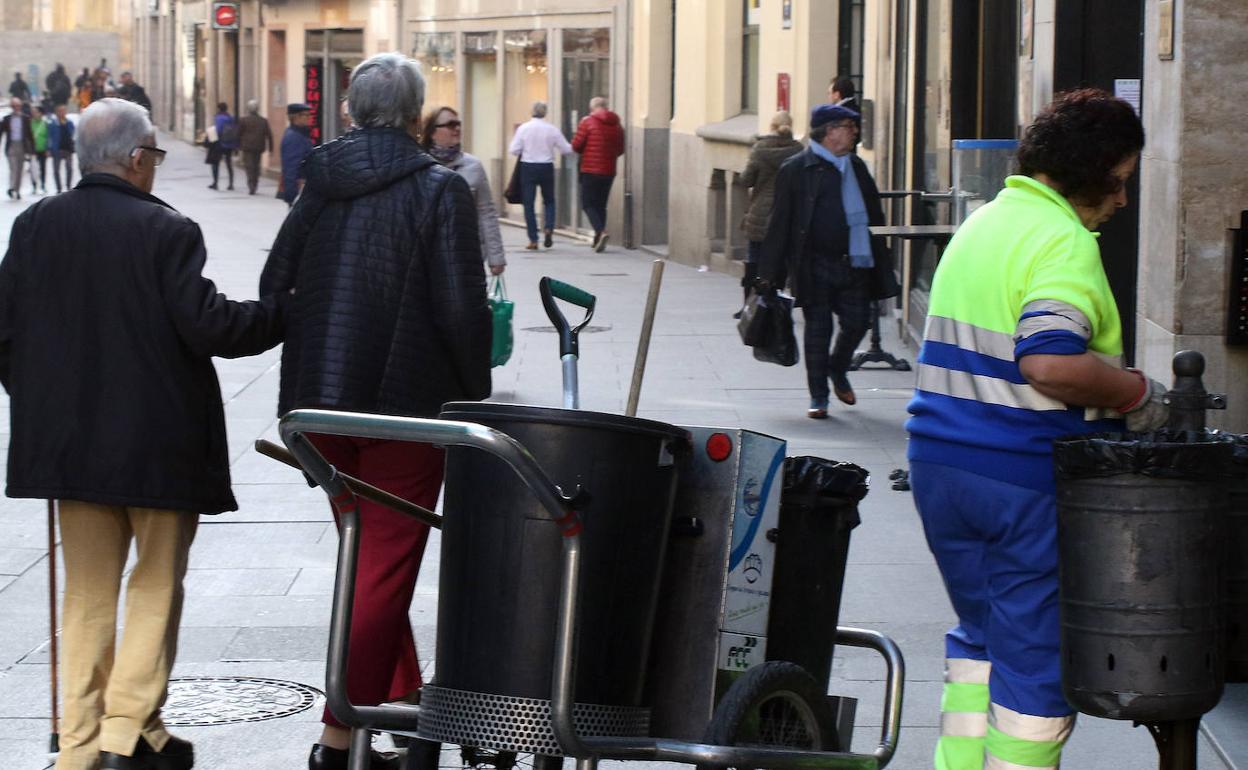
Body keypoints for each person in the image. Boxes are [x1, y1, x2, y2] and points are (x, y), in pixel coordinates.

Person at [0, 97, 286, 770]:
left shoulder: (36, 224)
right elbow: (211, 325)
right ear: (135, 159)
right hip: (159, 443)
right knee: (156, 581)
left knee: (86, 591)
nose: (154, 167)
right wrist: (283, 314)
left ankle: (79, 745)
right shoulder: (166, 231)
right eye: (154, 156)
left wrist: (43, 403)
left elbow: (4, 333)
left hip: (70, 448)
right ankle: (126, 731)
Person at [905, 89, 1165, 770]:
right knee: (1035, 665)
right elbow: (1049, 359)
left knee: (981, 639)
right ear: (1093, 170)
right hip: (1017, 477)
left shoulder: (984, 222)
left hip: (940, 465)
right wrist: (1139, 392)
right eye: (1122, 180)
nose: (1123, 200)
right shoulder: (1063, 240)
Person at [259, 52, 491, 770]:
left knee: (368, 556)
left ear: (351, 112)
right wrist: (474, 384)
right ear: (418, 115)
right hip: (403, 411)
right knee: (384, 564)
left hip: (320, 408)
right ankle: (338, 738)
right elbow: (460, 309)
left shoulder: (318, 184)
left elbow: (275, 285)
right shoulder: (438, 190)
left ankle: (404, 712)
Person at [758, 104, 895, 418]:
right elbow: (779, 223)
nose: (854, 132)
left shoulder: (856, 167)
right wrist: (769, 274)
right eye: (848, 126)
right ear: (829, 131)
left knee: (858, 322)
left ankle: (837, 368)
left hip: (856, 262)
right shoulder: (796, 169)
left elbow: (874, 214)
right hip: (814, 265)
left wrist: (880, 255)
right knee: (817, 332)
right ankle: (819, 396)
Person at [420, 105, 506, 275]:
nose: (457, 128)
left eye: (458, 123)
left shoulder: (473, 165)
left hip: (467, 255)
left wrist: (496, 257)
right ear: (432, 132)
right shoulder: (420, 165)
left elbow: (486, 212)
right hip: (427, 256)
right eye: (451, 124)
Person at [735, 109, 802, 316]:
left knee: (754, 258)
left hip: (760, 212)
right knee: (782, 259)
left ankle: (749, 305)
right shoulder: (799, 150)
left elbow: (746, 180)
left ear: (771, 127)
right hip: (786, 212)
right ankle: (778, 301)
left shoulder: (760, 149)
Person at [508, 100, 572, 250]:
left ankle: (533, 239)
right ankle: (549, 227)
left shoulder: (524, 128)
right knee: (549, 200)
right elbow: (566, 149)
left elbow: (514, 149)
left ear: (532, 112)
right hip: (546, 167)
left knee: (528, 204)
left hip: (528, 167)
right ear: (545, 113)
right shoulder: (552, 129)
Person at [571, 95, 625, 252]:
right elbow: (620, 149)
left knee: (588, 203)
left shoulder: (587, 122)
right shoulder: (617, 125)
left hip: (590, 169)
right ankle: (598, 237)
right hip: (609, 170)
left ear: (592, 108)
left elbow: (576, 145)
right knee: (601, 205)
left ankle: (601, 231)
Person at [279, 102, 314, 206]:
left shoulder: (300, 134)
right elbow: (291, 167)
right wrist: (292, 195)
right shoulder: (293, 137)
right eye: (306, 115)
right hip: (299, 190)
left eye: (309, 115)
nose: (309, 118)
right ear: (295, 117)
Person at [238, 99, 274, 195]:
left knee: (249, 167)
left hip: (247, 147)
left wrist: (237, 146)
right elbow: (269, 135)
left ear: (248, 109)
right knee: (256, 166)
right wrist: (271, 148)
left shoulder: (243, 120)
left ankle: (251, 186)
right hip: (259, 146)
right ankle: (255, 183)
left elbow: (238, 133)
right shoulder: (263, 121)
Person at [2, 97, 33, 200]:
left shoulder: (25, 118)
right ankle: (11, 187)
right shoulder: (7, 119)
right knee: (13, 168)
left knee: (20, 169)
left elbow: (29, 134)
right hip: (11, 146)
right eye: (14, 106)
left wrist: (32, 149)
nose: (16, 108)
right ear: (11, 107)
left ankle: (17, 190)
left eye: (18, 106)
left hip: (22, 146)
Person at [207, 102, 237, 190]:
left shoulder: (219, 118)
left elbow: (218, 130)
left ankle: (215, 183)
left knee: (215, 163)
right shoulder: (230, 118)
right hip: (229, 143)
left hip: (220, 144)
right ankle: (231, 184)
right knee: (229, 164)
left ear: (219, 109)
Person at [48, 103, 75, 192]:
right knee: (56, 170)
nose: (62, 113)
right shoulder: (53, 124)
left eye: (64, 111)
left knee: (69, 168)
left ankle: (68, 186)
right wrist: (49, 148)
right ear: (56, 113)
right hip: (57, 149)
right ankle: (58, 188)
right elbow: (49, 137)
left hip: (68, 149)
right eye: (60, 111)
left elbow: (73, 134)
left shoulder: (69, 123)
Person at [28, 104, 48, 195]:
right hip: (32, 150)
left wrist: (47, 148)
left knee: (43, 168)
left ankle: (43, 185)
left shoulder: (45, 124)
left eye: (36, 112)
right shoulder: (29, 123)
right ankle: (34, 185)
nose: (34, 114)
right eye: (33, 112)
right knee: (33, 168)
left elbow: (48, 137)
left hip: (42, 149)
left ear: (41, 113)